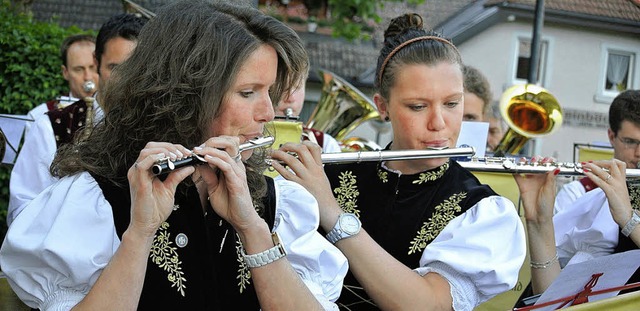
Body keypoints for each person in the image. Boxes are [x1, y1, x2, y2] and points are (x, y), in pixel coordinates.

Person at [0, 1, 347, 309]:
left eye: (269, 91)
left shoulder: (277, 202)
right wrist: (139, 233)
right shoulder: (94, 200)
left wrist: (253, 229)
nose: (268, 113)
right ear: (185, 95)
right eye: (247, 92)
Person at [270, 13, 526, 310]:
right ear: (382, 106)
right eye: (418, 106)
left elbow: (427, 305)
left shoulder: (480, 210)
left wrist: (332, 214)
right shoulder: (325, 176)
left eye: (452, 103)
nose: (439, 123)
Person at [6, 13, 146, 226]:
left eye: (137, 68)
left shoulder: (164, 124)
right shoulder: (51, 127)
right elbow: (21, 211)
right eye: (115, 68)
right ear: (97, 63)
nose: (127, 79)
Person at [514, 90, 640, 299]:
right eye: (630, 141)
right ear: (612, 136)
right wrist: (539, 222)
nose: (639, 153)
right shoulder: (588, 197)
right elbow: (549, 297)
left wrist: (628, 219)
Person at [25, 34, 99, 135]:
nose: (88, 77)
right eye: (78, 69)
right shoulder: (38, 116)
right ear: (65, 72)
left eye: (93, 68)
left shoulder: (116, 111)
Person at [275, 71, 342, 153]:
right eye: (280, 87)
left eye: (297, 87)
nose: (290, 98)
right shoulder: (255, 139)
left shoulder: (326, 144)